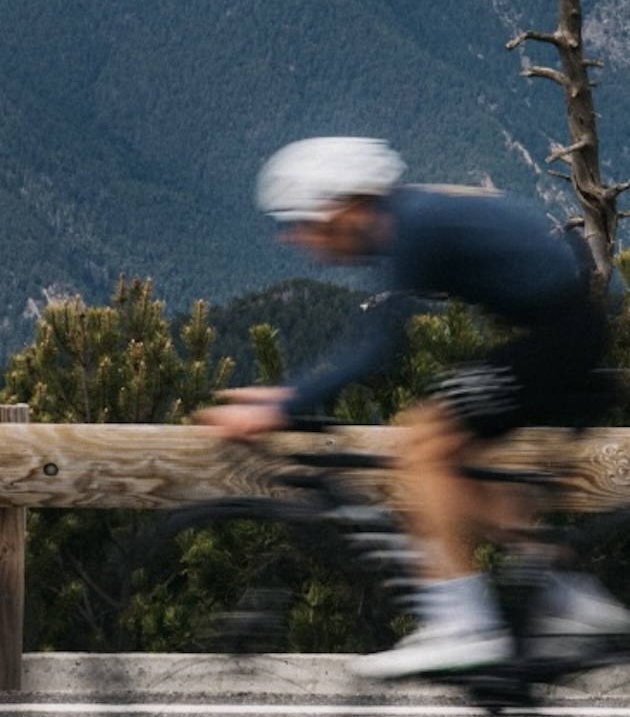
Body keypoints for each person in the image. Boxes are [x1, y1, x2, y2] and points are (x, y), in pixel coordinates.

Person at [194, 136, 630, 678]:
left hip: (561, 338)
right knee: (458, 466)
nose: (300, 238)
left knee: (422, 440)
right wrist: (289, 398)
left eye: (307, 222)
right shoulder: (409, 216)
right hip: (565, 332)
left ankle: (464, 622)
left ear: (347, 206)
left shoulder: (411, 227)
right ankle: (567, 597)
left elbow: (378, 348)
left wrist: (283, 405)